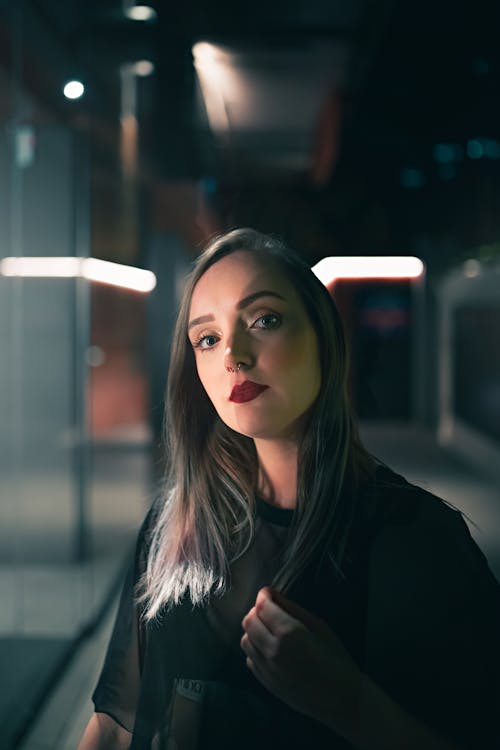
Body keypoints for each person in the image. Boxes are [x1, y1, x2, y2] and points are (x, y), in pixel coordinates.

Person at [78, 228, 500, 750]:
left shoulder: (418, 539)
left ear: (323, 336)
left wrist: (347, 702)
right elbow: (114, 726)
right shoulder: (173, 526)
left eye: (264, 320)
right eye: (207, 338)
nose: (233, 353)